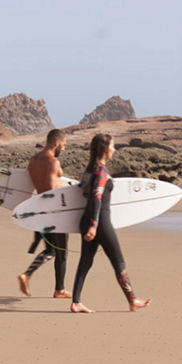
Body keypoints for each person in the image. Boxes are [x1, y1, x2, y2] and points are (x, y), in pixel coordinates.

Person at [69, 133, 151, 313]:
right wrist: (94, 225)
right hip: (100, 222)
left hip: (88, 219)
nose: (114, 149)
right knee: (118, 262)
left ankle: (76, 301)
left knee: (85, 261)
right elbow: (96, 198)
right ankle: (132, 300)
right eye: (112, 146)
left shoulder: (90, 170)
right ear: (105, 149)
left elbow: (82, 189)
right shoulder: (101, 171)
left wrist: (90, 223)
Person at [18, 129, 70, 298]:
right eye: (63, 145)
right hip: (55, 212)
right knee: (61, 252)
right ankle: (59, 289)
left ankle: (27, 275)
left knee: (50, 250)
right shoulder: (54, 163)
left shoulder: (33, 161)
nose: (63, 149)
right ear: (56, 143)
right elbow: (57, 191)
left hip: (38, 211)